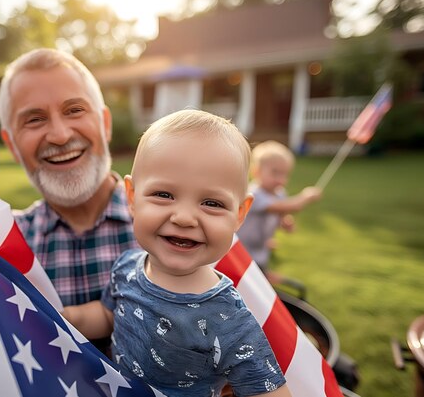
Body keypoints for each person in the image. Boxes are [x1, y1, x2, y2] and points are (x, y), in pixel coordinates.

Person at [61, 109, 291, 397]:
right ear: (131, 197)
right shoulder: (126, 266)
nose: (184, 217)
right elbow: (110, 315)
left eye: (211, 202)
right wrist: (67, 316)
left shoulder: (227, 319)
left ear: (239, 214)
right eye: (164, 195)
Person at [0, 48, 139, 309]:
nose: (60, 135)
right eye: (35, 119)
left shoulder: (172, 225)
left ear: (105, 124)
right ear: (12, 145)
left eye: (74, 110)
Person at [236, 140, 322, 282]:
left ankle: (264, 277)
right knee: (246, 279)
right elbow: (290, 206)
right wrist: (306, 196)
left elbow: (281, 213)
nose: (280, 179)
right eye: (275, 173)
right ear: (256, 171)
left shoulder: (280, 193)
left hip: (260, 249)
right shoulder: (254, 194)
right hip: (243, 250)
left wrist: (285, 222)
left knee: (259, 271)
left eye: (284, 174)